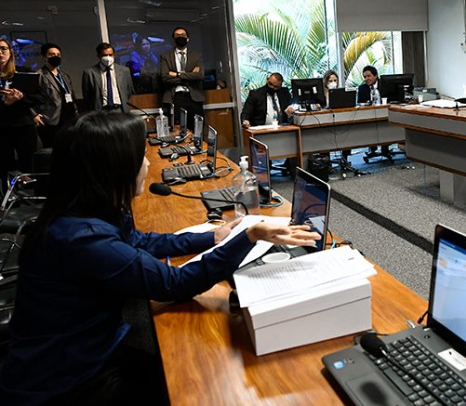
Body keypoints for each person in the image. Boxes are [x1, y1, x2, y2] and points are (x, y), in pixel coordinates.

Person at [0, 112, 319, 405]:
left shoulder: (84, 211)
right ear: (113, 168)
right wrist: (250, 236)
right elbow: (175, 284)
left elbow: (138, 240)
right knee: (203, 377)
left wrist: (212, 236)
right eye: (139, 157)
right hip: (65, 385)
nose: (147, 164)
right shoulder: (82, 238)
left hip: (80, 354)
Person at [0, 38, 41, 186]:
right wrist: (5, 103)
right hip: (2, 127)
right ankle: (8, 197)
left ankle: (31, 198)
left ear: (10, 52)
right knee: (5, 164)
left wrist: (21, 97)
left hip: (23, 125)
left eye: (4, 49)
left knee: (28, 162)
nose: (0, 53)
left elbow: (39, 98)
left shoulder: (25, 72)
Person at [160, 27, 203, 131]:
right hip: (175, 97)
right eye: (177, 35)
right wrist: (190, 75)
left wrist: (177, 74)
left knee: (197, 130)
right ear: (173, 39)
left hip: (194, 98)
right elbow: (165, 77)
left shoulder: (197, 56)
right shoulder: (165, 56)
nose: (180, 37)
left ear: (188, 38)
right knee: (177, 130)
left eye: (183, 35)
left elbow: (199, 76)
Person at [35, 42, 77, 148]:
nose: (56, 57)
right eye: (52, 54)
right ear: (44, 57)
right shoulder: (39, 75)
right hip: (51, 119)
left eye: (58, 55)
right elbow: (31, 96)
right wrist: (34, 114)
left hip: (69, 117)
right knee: (52, 149)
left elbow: (72, 95)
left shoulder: (64, 76)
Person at [82, 42, 135, 113]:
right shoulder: (89, 73)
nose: (108, 58)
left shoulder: (124, 71)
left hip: (120, 110)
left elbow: (129, 90)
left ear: (114, 55)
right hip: (101, 111)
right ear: (98, 56)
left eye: (110, 55)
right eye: (104, 55)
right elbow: (87, 96)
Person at [356, 66, 392, 160]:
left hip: (385, 113)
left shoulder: (385, 85)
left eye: (369, 76)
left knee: (386, 127)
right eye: (365, 77)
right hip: (369, 115)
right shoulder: (362, 88)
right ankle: (372, 147)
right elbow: (360, 103)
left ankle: (385, 148)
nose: (367, 79)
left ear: (375, 76)